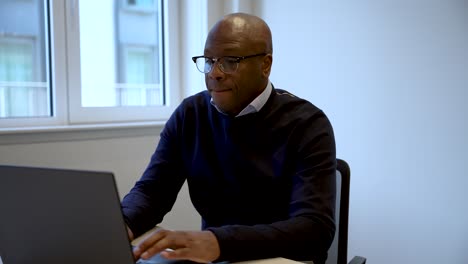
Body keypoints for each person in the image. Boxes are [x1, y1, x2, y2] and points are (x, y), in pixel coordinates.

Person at [121, 12, 336, 264]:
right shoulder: (190, 115)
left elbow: (314, 229)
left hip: (283, 259)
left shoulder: (308, 124)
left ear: (265, 65)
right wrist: (123, 224)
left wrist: (219, 241)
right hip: (219, 257)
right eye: (210, 61)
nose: (215, 73)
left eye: (230, 61)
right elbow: (152, 191)